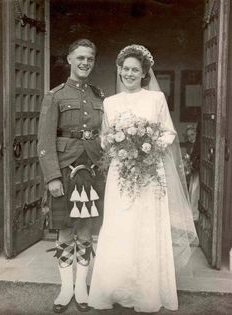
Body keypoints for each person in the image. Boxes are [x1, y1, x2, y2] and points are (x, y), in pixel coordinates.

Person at [88, 45, 198, 313]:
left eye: (135, 70)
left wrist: (147, 148)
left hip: (149, 173)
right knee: (119, 225)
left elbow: (169, 133)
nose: (129, 73)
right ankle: (115, 287)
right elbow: (104, 138)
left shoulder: (156, 99)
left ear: (144, 73)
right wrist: (118, 147)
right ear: (119, 71)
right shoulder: (109, 103)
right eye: (125, 69)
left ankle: (147, 291)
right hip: (121, 174)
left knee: (145, 226)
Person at [37, 39, 105, 313]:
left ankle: (81, 287)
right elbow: (44, 141)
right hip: (65, 169)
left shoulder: (98, 95)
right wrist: (52, 176)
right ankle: (66, 288)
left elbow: (102, 135)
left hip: (92, 170)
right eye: (80, 58)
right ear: (69, 59)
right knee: (65, 229)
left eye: (89, 58)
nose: (85, 62)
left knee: (87, 230)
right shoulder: (55, 96)